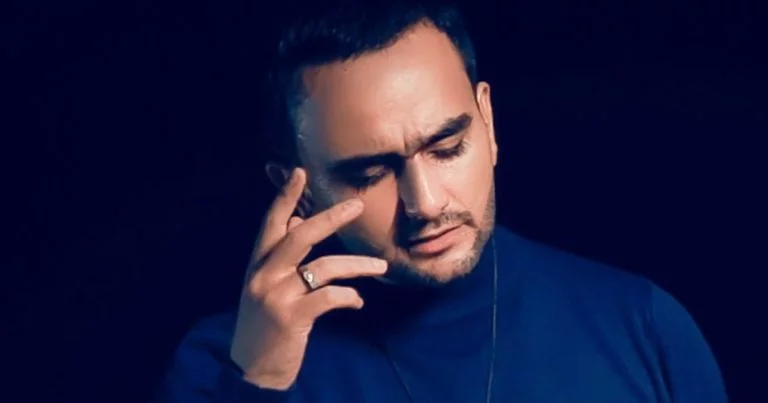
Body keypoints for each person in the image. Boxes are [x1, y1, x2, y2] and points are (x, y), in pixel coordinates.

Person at [156, 1, 727, 402]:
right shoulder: (221, 366)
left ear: (489, 123)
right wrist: (257, 384)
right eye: (370, 174)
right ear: (298, 191)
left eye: (447, 148)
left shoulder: (643, 325)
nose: (425, 204)